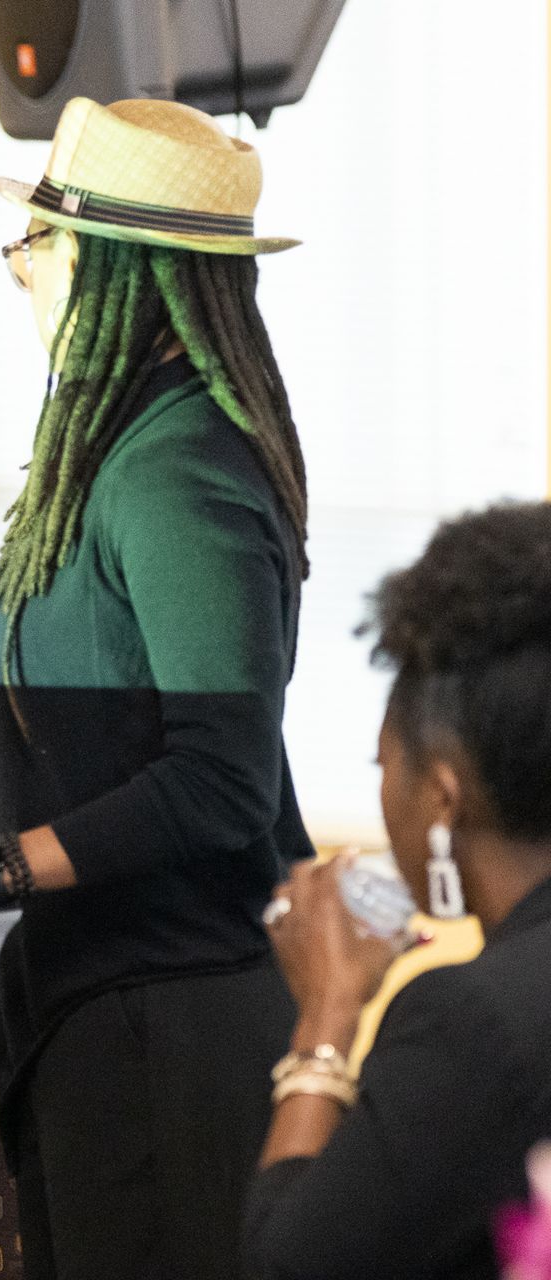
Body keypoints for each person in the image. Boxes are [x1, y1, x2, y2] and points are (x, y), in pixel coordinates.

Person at [0, 97, 312, 1278]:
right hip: (94, 1006)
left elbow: (221, 782)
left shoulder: (180, 471)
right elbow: (105, 762)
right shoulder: (117, 457)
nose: (22, 271)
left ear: (115, 267)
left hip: (171, 1019)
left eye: (37, 244)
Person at [244, 502, 551, 1280]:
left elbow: (290, 1267)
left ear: (443, 797)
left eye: (384, 765)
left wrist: (326, 1017)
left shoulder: (468, 1023)